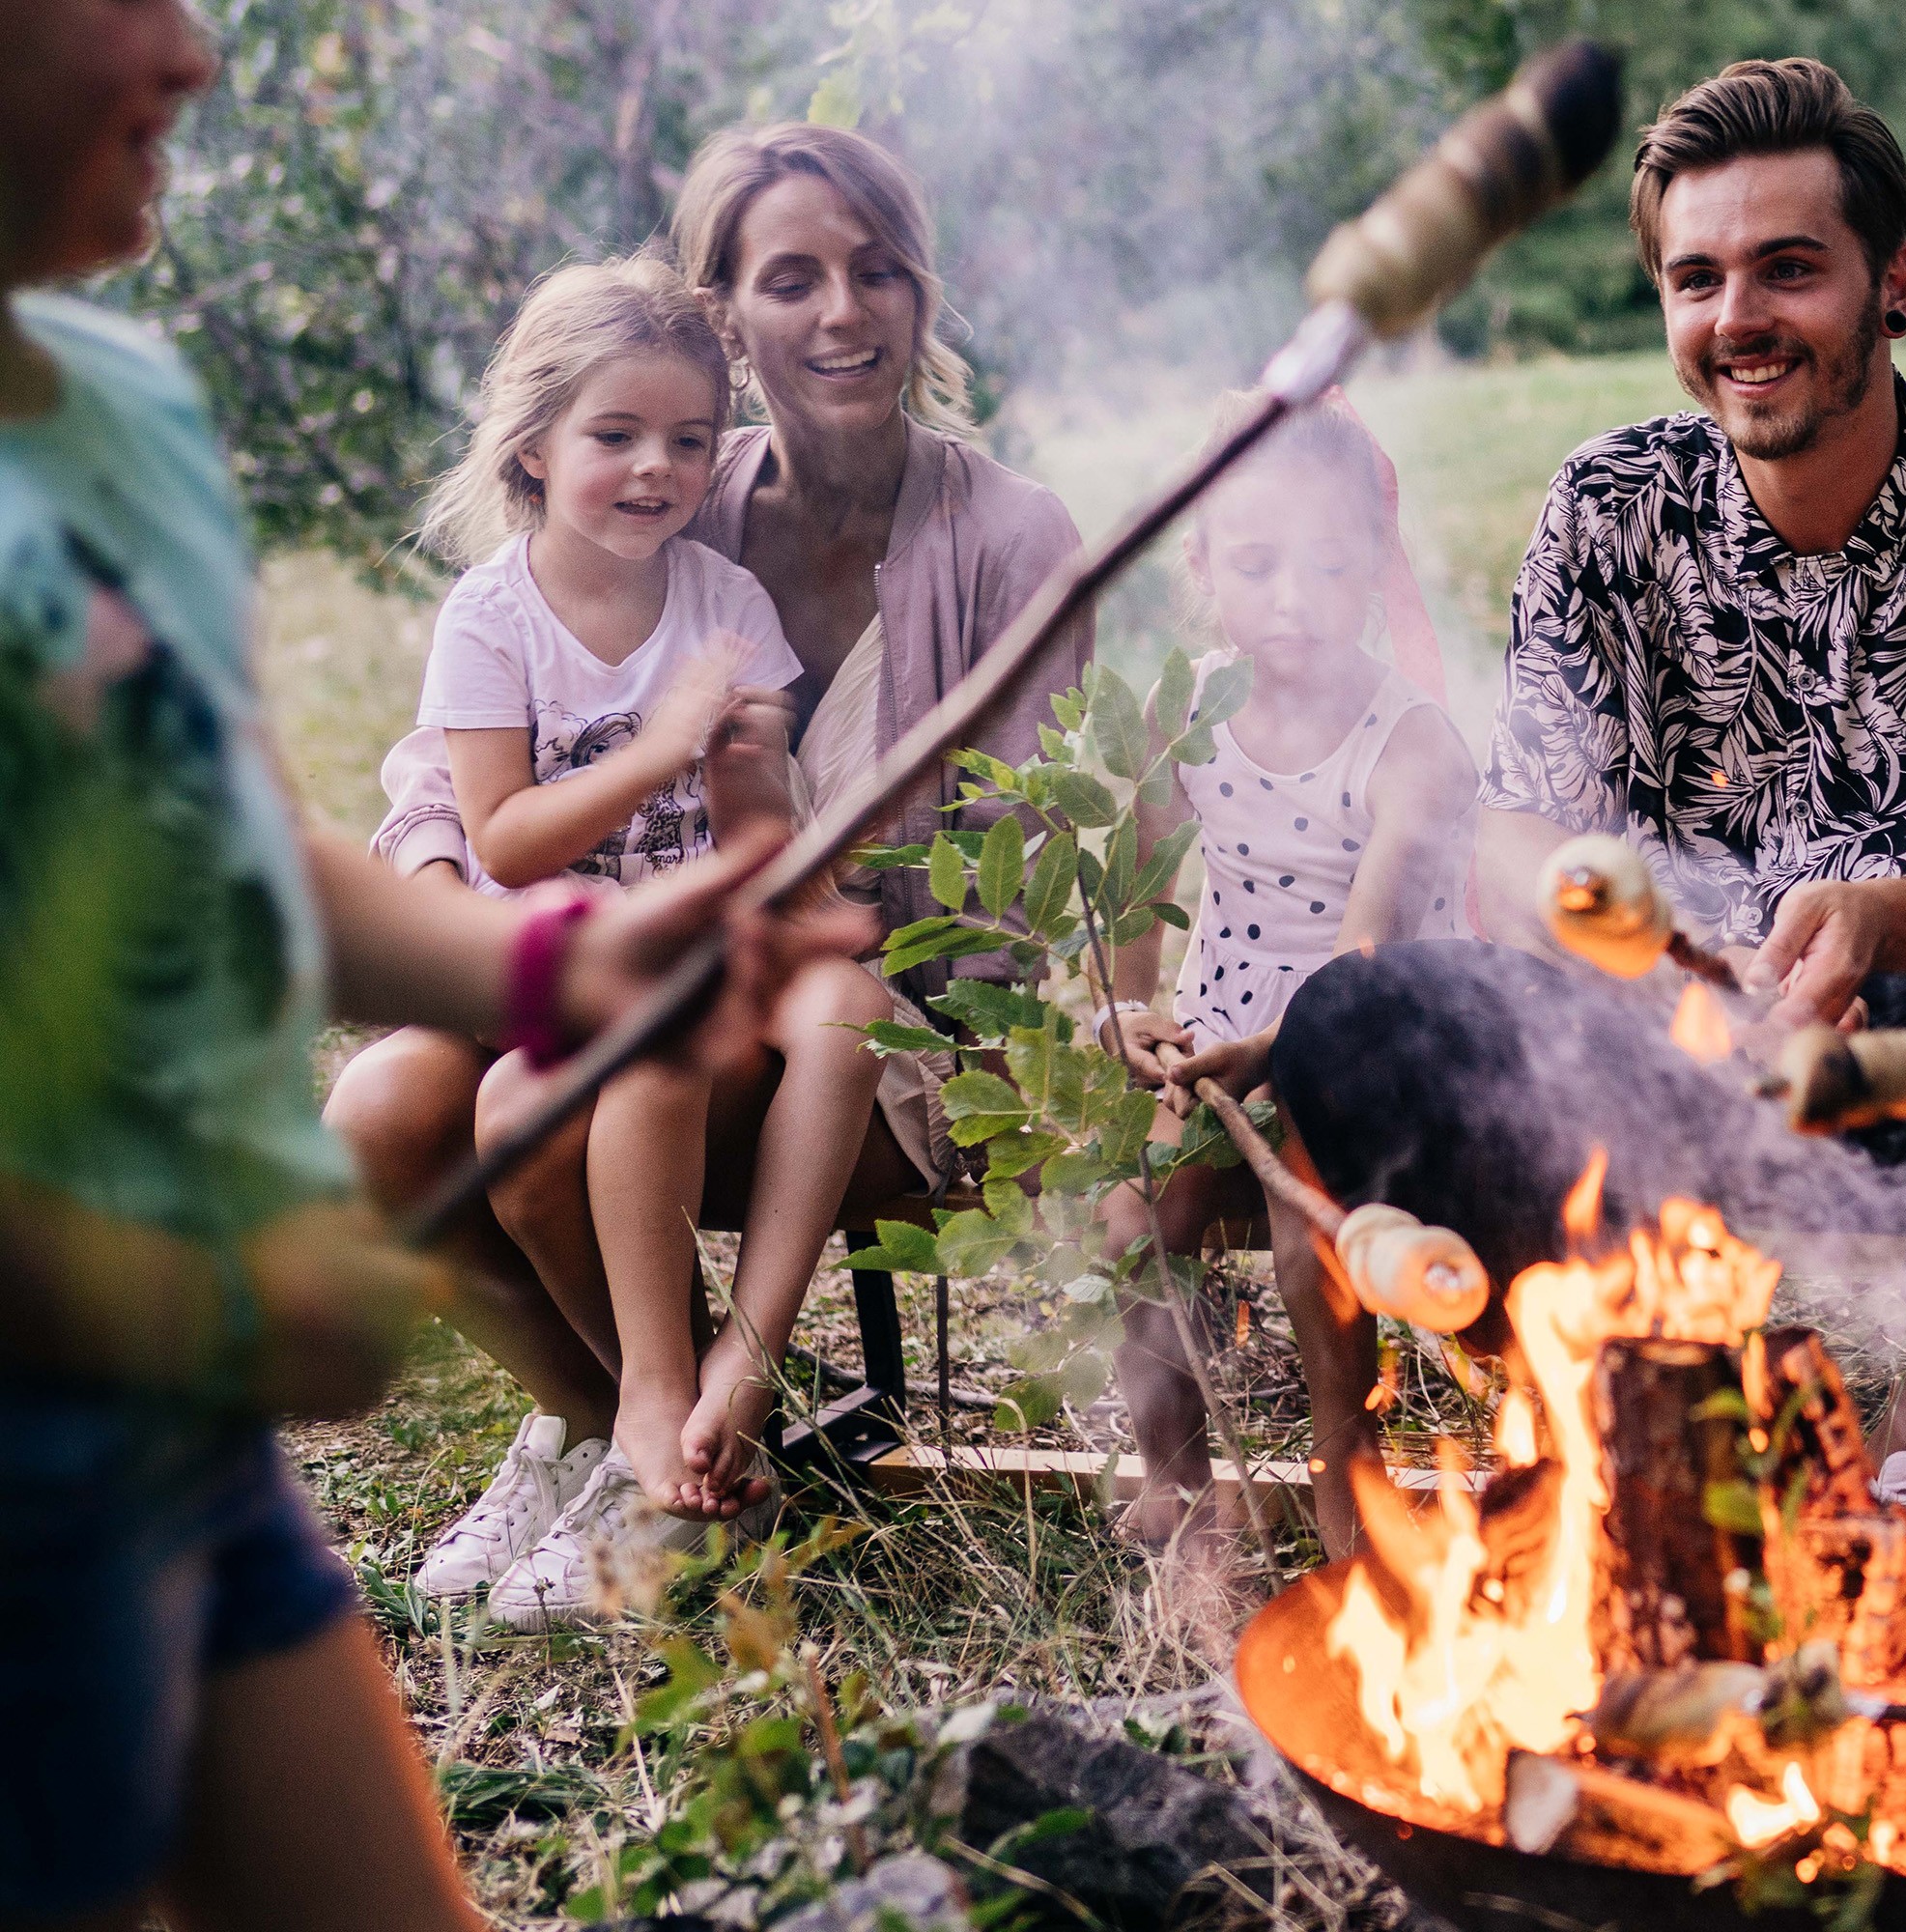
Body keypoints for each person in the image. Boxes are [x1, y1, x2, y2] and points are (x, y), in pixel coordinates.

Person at [0, 4, 868, 1922]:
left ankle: (630, 1425)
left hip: (182, 1452)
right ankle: (614, 1418)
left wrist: (598, 950)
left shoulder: (122, 408)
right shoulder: (496, 613)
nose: (195, 51)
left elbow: (230, 853)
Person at [1258, 57, 1906, 1527]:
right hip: (1655, 1053)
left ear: (1894, 284)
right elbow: (1514, 836)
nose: (1738, 319)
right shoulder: (1608, 504)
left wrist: (1887, 927)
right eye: (1697, 279)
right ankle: (1621, 1406)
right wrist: (1653, 967)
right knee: (1358, 1019)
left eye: (1789, 270)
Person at [331, 121, 1091, 1624]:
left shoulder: (998, 540)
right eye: (790, 276)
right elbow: (463, 778)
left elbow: (1000, 859)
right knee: (377, 1114)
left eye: (877, 271)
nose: (841, 312)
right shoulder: (674, 483)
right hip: (599, 960)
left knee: (532, 1110)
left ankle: (688, 1423)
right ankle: (601, 1427)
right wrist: (455, 896)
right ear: (727, 314)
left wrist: (768, 862)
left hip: (851, 1017)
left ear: (922, 290)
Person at [395, 256, 898, 1602]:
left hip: (692, 943)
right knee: (519, 1102)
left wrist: (756, 818)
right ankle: (633, 1417)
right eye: (614, 436)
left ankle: (736, 1366)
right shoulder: (490, 616)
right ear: (533, 445)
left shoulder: (724, 606)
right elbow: (501, 836)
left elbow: (749, 825)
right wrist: (655, 746)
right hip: (557, 966)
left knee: (850, 1009)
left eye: (688, 439)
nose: (654, 468)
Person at [1093, 396, 1471, 1551]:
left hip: (1369, 1036)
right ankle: (1177, 1477)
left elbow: (1368, 947)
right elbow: (1144, 874)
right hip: (1223, 1022)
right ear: (1201, 565)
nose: (1295, 600)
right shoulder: (1189, 710)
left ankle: (1343, 1459)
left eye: (1331, 563)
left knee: (1313, 1228)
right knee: (1131, 1216)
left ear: (1372, 563)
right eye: (1256, 565)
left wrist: (1278, 1056)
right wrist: (1133, 1005)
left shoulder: (1406, 736)